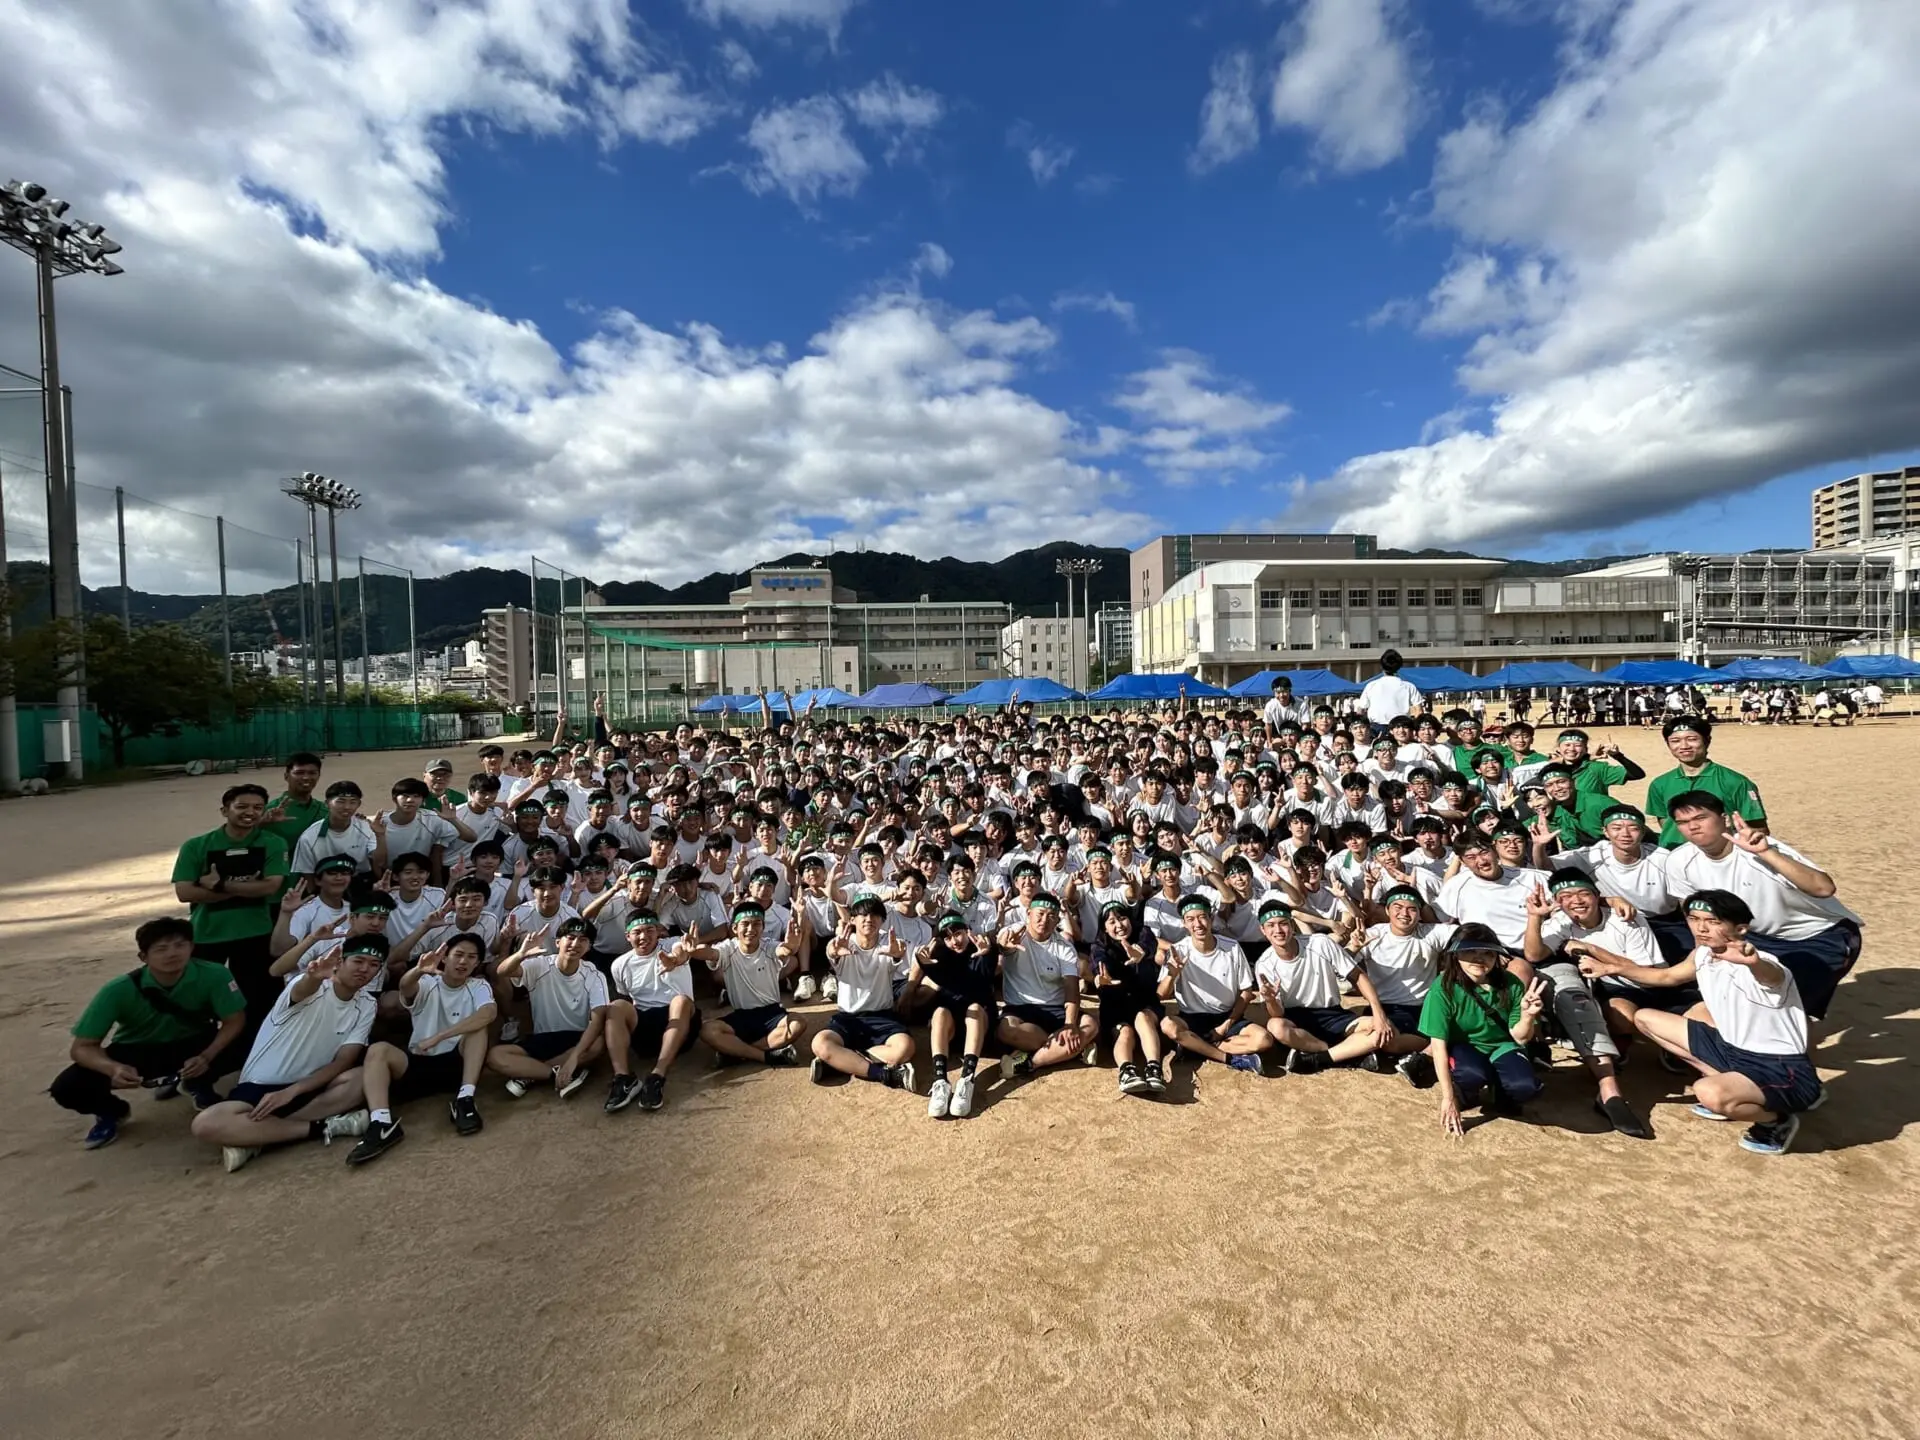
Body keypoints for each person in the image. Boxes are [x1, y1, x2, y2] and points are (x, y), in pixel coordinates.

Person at [1578, 891, 1821, 1155]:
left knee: (1708, 1092)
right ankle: (1733, 1085)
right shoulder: (1703, 954)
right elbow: (1667, 977)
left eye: (1713, 921)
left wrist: (1754, 962)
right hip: (1731, 1049)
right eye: (1694, 919)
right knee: (1646, 1018)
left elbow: (1772, 978)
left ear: (1740, 928)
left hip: (1781, 1068)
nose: (1701, 928)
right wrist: (1611, 969)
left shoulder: (1764, 964)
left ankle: (1776, 1121)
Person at [49, 916, 249, 1148]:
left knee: (253, 1044)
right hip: (138, 1049)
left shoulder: (214, 975)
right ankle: (112, 1111)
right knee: (66, 1088)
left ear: (192, 948)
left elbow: (234, 1020)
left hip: (195, 1043)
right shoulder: (118, 990)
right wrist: (113, 1068)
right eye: (161, 949)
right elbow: (82, 1047)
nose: (172, 954)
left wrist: (207, 1055)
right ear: (143, 957)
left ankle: (198, 1083)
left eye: (180, 945)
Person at [188, 936, 382, 1173]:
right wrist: (312, 976)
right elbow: (303, 988)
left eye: (374, 965)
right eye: (359, 961)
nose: (365, 969)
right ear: (340, 962)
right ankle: (322, 1128)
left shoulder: (367, 1004)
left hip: (308, 1086)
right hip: (261, 1086)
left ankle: (259, 1138)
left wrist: (294, 1090)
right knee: (206, 1124)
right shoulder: (310, 984)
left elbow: (344, 1060)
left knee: (364, 1076)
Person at [1661, 793, 1862, 1020]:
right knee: (1740, 1002)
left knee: (1789, 1012)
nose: (1693, 827)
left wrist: (1766, 852)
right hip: (1754, 937)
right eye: (1683, 823)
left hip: (1818, 936)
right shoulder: (1679, 861)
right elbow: (1697, 917)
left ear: (1724, 819)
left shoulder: (1760, 847)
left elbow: (1824, 888)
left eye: (1701, 818)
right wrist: (1704, 956)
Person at [1521, 873, 1654, 1139]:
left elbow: (1649, 975)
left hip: (1629, 987)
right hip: (1583, 983)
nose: (1576, 902)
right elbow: (1534, 955)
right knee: (1573, 996)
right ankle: (1610, 1091)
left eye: (1583, 894)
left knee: (1624, 1016)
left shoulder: (1626, 918)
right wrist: (1535, 917)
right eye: (1565, 897)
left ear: (1597, 896)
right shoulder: (1560, 921)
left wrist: (1589, 949)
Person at [171, 783, 293, 1036]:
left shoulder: (273, 843)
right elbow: (185, 892)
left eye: (258, 807)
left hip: (255, 932)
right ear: (225, 810)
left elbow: (270, 887)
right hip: (207, 932)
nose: (250, 812)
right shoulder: (196, 846)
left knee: (259, 1000)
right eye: (242, 806)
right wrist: (246, 886)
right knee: (199, 998)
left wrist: (219, 884)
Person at [1419, 924, 1549, 1136]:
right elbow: (1438, 1044)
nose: (1479, 959)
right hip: (1464, 1045)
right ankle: (1466, 1091)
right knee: (1471, 1074)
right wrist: (1448, 1097)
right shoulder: (1443, 987)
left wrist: (1527, 1015)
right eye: (1470, 951)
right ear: (1456, 954)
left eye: (1488, 953)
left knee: (1525, 1087)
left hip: (1502, 1044)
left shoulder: (1511, 984)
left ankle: (1501, 1093)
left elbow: (1520, 1037)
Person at [487, 916, 616, 1100]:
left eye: (583, 939)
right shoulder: (540, 965)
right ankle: (554, 1073)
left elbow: (596, 1021)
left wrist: (574, 1058)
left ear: (589, 947)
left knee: (597, 1044)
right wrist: (521, 954)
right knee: (495, 1056)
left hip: (575, 1038)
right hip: (542, 1038)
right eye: (570, 937)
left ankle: (529, 1076)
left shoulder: (594, 975)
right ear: (558, 942)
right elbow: (502, 971)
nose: (575, 943)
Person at [1253, 900, 1387, 1072]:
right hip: (1296, 1020)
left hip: (1333, 1014)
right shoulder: (1264, 964)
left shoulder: (1320, 943)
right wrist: (1271, 1000)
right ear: (1263, 930)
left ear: (1292, 926)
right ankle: (1346, 1053)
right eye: (1270, 925)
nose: (1278, 931)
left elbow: (1358, 976)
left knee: (1382, 1028)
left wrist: (1379, 1013)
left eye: (1283, 924)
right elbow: (1277, 1014)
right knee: (1276, 1026)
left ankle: (1320, 1058)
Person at [1156, 894, 1273, 1074]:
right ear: (1184, 924)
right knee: (1168, 1025)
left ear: (1211, 919)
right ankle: (1228, 1057)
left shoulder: (1232, 947)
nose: (1198, 924)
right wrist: (1172, 974)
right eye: (1190, 919)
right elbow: (1161, 994)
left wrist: (1225, 1025)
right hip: (1190, 1018)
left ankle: (1195, 1047)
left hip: (1227, 1016)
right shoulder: (1178, 950)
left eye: (1202, 917)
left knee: (1264, 1039)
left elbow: (1245, 992)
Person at [811, 896, 918, 1093]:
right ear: (852, 919)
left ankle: (843, 1060)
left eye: (875, 914)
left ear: (882, 920)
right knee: (820, 1043)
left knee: (906, 1048)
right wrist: (832, 951)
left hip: (882, 1016)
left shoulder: (891, 943)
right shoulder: (842, 943)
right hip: (847, 1018)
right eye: (862, 914)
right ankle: (882, 1074)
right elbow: (832, 951)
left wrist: (897, 955)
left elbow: (897, 955)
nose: (869, 919)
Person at [684, 901, 807, 1068]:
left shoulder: (769, 946)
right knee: (707, 1030)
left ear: (763, 927)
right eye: (745, 924)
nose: (751, 929)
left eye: (757, 924)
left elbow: (784, 950)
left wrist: (792, 946)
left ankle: (736, 1052)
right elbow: (711, 953)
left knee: (797, 1023)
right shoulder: (728, 948)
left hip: (772, 1014)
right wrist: (693, 951)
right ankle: (765, 1056)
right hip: (741, 1016)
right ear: (735, 928)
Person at [993, 893, 1098, 1077]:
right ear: (1029, 913)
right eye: (1040, 913)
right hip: (1020, 1008)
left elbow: (1072, 989)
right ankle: (1071, 1050)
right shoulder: (1014, 932)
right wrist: (1006, 946)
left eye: (1051, 916)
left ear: (1057, 919)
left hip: (1056, 1008)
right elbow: (1003, 943)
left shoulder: (1064, 947)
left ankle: (1030, 1063)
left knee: (1090, 1025)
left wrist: (1069, 1024)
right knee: (1005, 1030)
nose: (1044, 920)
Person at [906, 912, 998, 1117]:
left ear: (967, 931)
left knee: (974, 1008)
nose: (954, 941)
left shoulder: (982, 950)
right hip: (954, 1031)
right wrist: (925, 965)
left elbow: (980, 983)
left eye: (958, 934)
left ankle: (967, 1079)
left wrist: (987, 954)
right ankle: (940, 1081)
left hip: (979, 1028)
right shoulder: (940, 956)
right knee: (939, 1012)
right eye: (948, 937)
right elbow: (949, 984)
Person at [606, 912, 698, 1112]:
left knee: (681, 1001)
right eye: (637, 932)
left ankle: (657, 1075)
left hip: (681, 1024)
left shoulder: (672, 943)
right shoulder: (619, 965)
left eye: (650, 930)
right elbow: (626, 998)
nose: (643, 936)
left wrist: (674, 960)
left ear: (659, 931)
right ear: (627, 936)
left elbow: (680, 952)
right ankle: (623, 1078)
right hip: (645, 1026)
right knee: (615, 1007)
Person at [1642, 716, 1766, 847]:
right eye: (1675, 741)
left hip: (1719, 857)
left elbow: (1758, 828)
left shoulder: (1736, 782)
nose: (1684, 746)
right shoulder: (1659, 784)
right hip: (1673, 855)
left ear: (1707, 741)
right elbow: (1666, 822)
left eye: (1692, 739)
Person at [1089, 901, 1168, 1097]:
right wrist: (1100, 980)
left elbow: (1148, 945)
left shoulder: (1144, 933)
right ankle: (1126, 1071)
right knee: (1125, 1032)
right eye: (1111, 922)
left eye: (1122, 918)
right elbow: (1098, 966)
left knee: (1143, 1017)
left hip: (1146, 1003)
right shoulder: (1099, 946)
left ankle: (1154, 1068)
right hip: (1115, 1007)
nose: (1119, 925)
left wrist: (1139, 954)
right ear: (1104, 928)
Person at [1358, 649, 1422, 734]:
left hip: (1376, 729)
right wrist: (1413, 729)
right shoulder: (1409, 686)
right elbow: (1419, 711)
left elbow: (1360, 710)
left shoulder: (1371, 685)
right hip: (1401, 729)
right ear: (1399, 666)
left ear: (1382, 666)